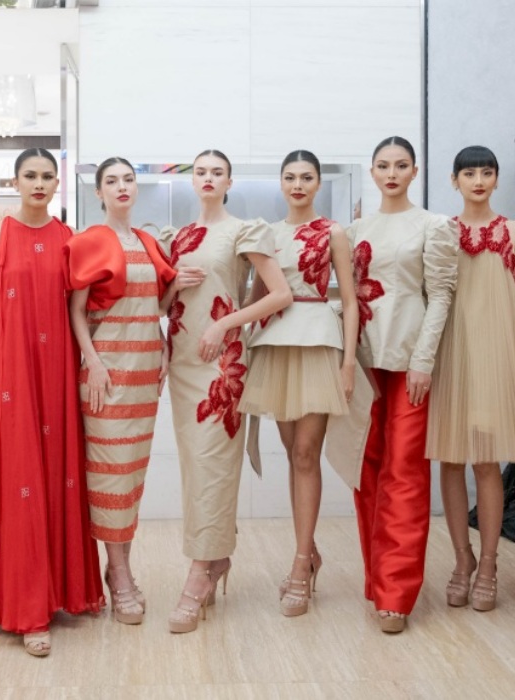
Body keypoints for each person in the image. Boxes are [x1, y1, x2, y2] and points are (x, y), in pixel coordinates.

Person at [0, 148, 104, 656]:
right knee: (18, 476)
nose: (40, 183)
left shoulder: (70, 239)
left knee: (57, 472)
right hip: (9, 368)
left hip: (56, 368)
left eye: (48, 176)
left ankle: (63, 593)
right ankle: (26, 609)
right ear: (16, 181)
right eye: (30, 175)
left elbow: (79, 310)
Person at [427, 146, 515, 614]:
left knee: (485, 461)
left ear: (497, 179)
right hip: (451, 350)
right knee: (450, 460)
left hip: (496, 352)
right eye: (469, 173)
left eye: (487, 172)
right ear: (454, 180)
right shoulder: (442, 231)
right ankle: (461, 559)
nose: (478, 181)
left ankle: (488, 564)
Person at [162, 149, 292, 634]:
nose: (208, 178)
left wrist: (226, 323)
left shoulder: (244, 230)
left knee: (214, 465)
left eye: (217, 172)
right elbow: (163, 303)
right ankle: (215, 558)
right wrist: (172, 284)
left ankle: (200, 571)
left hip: (223, 366)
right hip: (182, 361)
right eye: (200, 172)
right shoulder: (177, 237)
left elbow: (280, 294)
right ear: (192, 180)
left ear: (229, 182)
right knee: (195, 467)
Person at [343, 136, 458, 634]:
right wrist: (346, 360)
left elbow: (441, 295)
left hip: (411, 358)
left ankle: (397, 595)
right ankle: (377, 581)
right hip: (364, 358)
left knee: (405, 471)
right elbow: (347, 298)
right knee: (366, 469)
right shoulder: (354, 230)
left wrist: (424, 361)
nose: (391, 173)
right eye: (383, 165)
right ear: (372, 172)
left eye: (401, 165)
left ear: (415, 171)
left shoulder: (434, 225)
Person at [237, 150, 359, 617]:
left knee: (307, 453)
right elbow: (256, 297)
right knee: (294, 455)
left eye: (307, 177)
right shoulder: (266, 233)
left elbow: (350, 300)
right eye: (290, 177)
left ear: (319, 184)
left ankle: (300, 563)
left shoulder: (334, 232)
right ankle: (308, 552)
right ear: (281, 182)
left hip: (318, 341)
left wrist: (348, 363)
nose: (298, 184)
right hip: (275, 346)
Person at [65, 157, 179, 626]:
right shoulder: (89, 240)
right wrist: (92, 362)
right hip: (107, 370)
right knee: (109, 474)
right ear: (99, 192)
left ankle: (119, 570)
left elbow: (157, 305)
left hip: (145, 371)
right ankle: (120, 574)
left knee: (130, 475)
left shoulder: (148, 242)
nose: (121, 187)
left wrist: (166, 336)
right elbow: (76, 310)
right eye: (111, 181)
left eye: (128, 179)